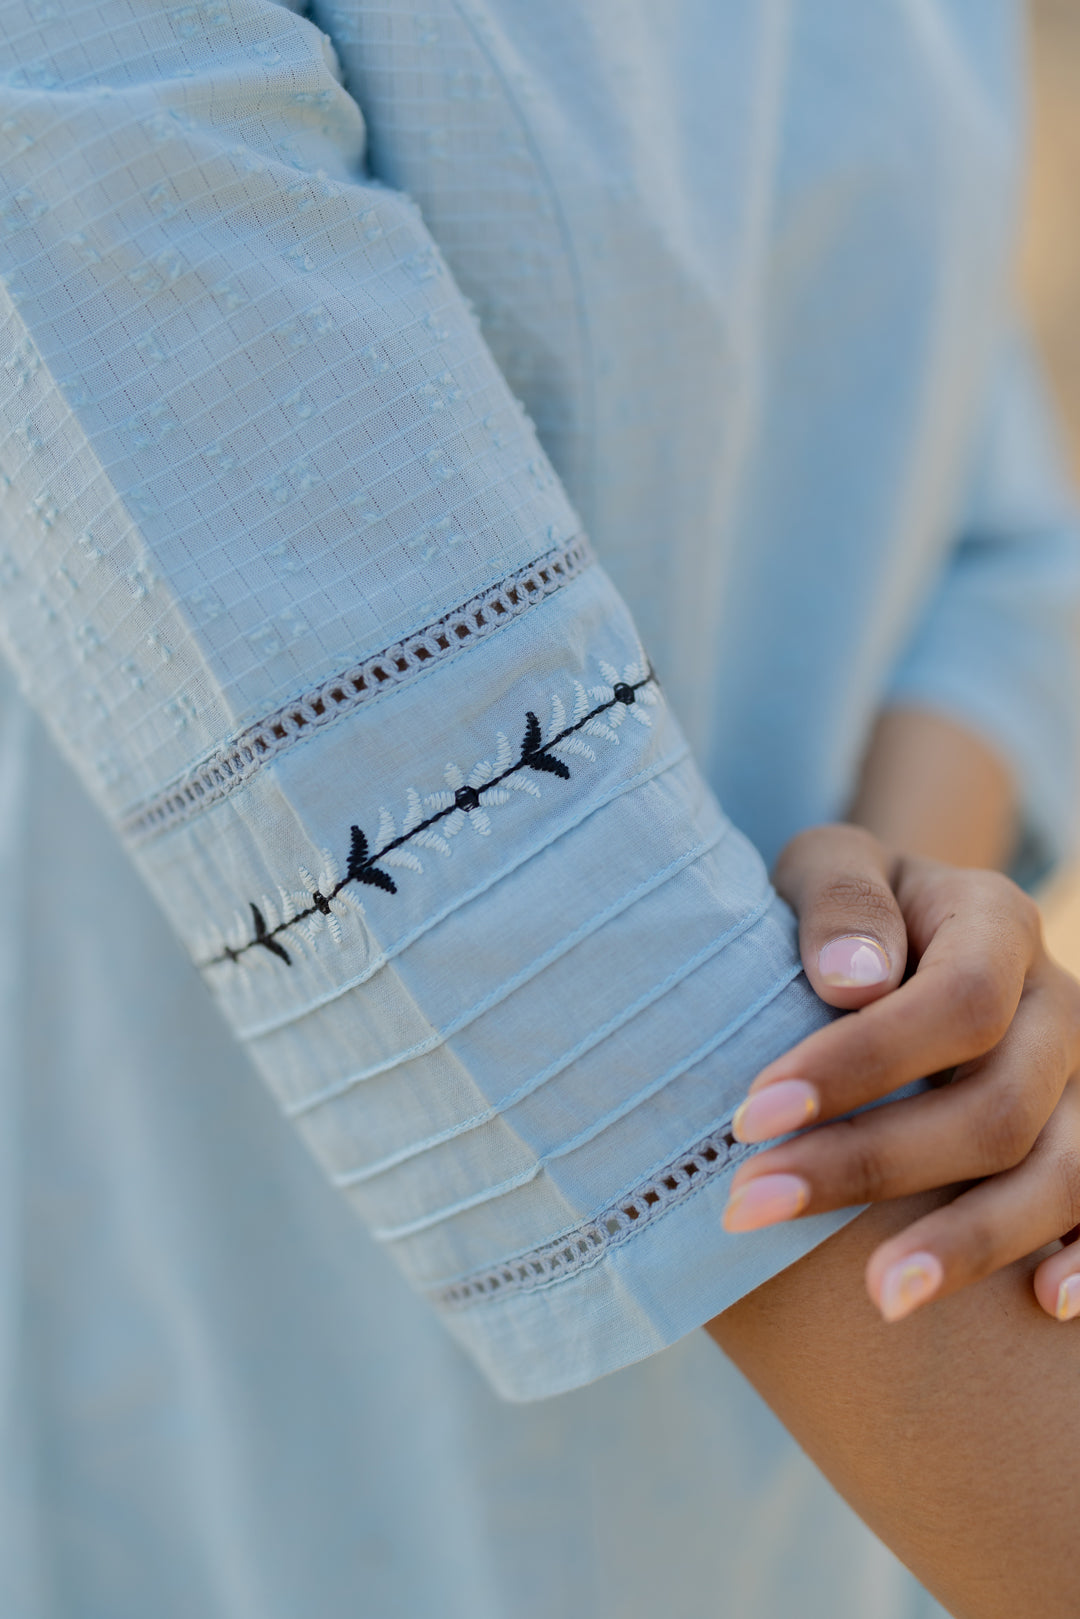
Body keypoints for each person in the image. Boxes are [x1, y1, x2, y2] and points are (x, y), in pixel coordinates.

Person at [1, 2, 1079, 1615]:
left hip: (893, 1441)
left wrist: (915, 953)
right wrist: (854, 1085)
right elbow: (537, 912)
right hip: (322, 1432)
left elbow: (975, 502)